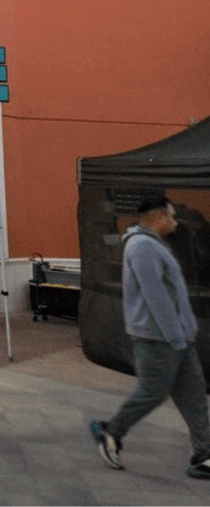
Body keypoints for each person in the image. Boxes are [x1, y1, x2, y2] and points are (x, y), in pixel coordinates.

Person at [90, 196, 210, 480]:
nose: (175, 222)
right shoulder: (142, 246)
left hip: (178, 338)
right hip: (158, 339)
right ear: (158, 218)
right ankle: (111, 431)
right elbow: (155, 296)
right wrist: (175, 337)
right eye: (172, 217)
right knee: (152, 392)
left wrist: (184, 333)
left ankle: (205, 455)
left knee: (194, 396)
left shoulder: (155, 245)